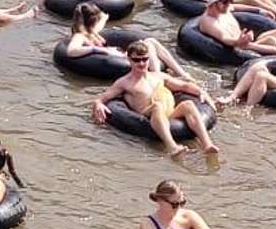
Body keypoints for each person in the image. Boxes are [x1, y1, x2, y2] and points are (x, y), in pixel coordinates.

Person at [90, 39, 219, 157]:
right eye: (137, 60)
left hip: (168, 113)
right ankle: (172, 146)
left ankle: (207, 145)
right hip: (147, 114)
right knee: (156, 106)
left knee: (188, 104)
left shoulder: (158, 76)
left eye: (144, 59)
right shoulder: (124, 82)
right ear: (129, 59)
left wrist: (202, 92)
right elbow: (101, 98)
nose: (141, 63)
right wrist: (98, 104)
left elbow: (184, 86)